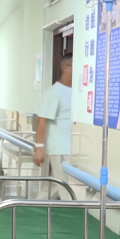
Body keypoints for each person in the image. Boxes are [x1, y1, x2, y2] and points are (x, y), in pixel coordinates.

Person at [34, 54, 73, 200]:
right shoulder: (54, 92)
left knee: (56, 185)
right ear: (65, 68)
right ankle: (72, 213)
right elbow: (42, 120)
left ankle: (33, 207)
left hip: (71, 149)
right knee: (65, 190)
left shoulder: (76, 91)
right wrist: (39, 147)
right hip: (60, 149)